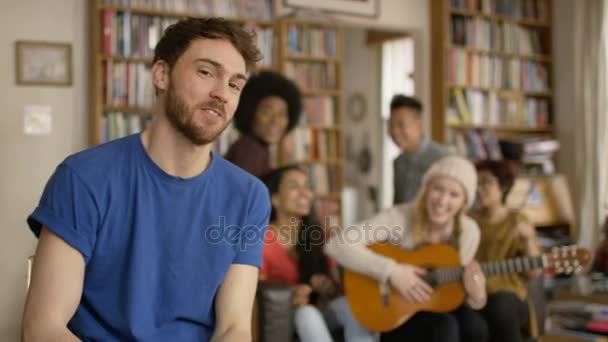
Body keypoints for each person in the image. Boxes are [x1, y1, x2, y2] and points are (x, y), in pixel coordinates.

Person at [22, 18, 271, 341]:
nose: (221, 93)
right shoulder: (83, 178)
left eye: (235, 84)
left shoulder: (249, 196)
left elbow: (234, 327)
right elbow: (43, 327)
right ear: (161, 75)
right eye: (206, 72)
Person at [325, 156, 489, 342]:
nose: (442, 201)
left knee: (476, 329)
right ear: (426, 189)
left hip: (435, 303)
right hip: (395, 310)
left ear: (464, 202)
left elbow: (455, 289)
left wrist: (477, 297)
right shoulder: (398, 218)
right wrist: (391, 271)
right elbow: (337, 244)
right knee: (444, 327)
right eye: (438, 189)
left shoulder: (469, 231)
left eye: (454, 194)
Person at [260, 166, 374, 342]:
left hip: (321, 313)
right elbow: (255, 290)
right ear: (275, 199)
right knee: (307, 313)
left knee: (351, 307)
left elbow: (337, 291)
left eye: (307, 186)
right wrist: (291, 295)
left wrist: (328, 288)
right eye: (294, 186)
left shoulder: (319, 236)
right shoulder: (261, 239)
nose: (305, 193)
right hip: (288, 317)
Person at [471, 160, 543, 342]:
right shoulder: (468, 221)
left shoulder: (517, 219)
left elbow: (533, 272)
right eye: (476, 183)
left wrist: (527, 239)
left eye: (486, 182)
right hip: (473, 296)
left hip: (509, 298)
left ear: (502, 185)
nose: (480, 189)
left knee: (500, 305)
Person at [224, 70, 302, 178]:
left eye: (282, 114)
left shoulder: (257, 147)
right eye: (267, 112)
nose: (275, 121)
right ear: (250, 113)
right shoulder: (250, 150)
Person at [389, 94, 450, 205]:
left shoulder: (443, 158)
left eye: (400, 125)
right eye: (391, 125)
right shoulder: (398, 162)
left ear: (419, 125)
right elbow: (398, 207)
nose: (394, 131)